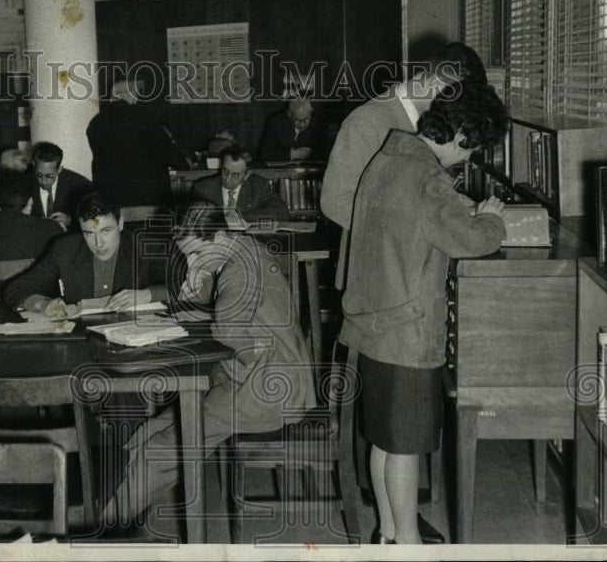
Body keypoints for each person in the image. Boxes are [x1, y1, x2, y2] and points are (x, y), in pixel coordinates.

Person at [341, 82, 508, 545]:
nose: (465, 162)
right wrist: (492, 218)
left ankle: (389, 533)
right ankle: (410, 545)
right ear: (461, 138)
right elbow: (469, 241)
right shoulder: (428, 177)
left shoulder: (388, 157)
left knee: (383, 439)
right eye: (470, 152)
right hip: (408, 331)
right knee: (407, 447)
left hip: (373, 323)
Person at [103, 202, 317, 531]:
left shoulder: (241, 269)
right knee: (150, 430)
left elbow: (228, 328)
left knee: (164, 446)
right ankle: (122, 504)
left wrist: (232, 337)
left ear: (217, 236)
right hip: (260, 377)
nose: (191, 262)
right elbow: (232, 312)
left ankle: (102, 525)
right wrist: (201, 282)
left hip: (267, 390)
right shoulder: (241, 247)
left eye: (195, 254)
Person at [321, 41, 488, 290]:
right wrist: (415, 224)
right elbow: (334, 202)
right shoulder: (366, 122)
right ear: (433, 84)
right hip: (372, 277)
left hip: (412, 275)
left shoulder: (432, 125)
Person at [4, 192, 169, 311]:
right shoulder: (65, 249)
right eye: (89, 233)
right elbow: (17, 288)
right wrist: (43, 304)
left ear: (120, 224)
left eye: (106, 231)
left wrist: (149, 294)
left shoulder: (145, 246)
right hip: (81, 339)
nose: (99, 243)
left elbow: (185, 284)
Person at [86, 79, 192, 207]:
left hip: (109, 196)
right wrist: (184, 164)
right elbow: (166, 151)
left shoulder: (95, 121)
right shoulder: (143, 116)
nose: (137, 99)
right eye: (137, 94)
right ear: (129, 94)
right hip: (146, 196)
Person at [191, 146, 290, 225]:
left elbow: (282, 213)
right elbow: (190, 218)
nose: (228, 179)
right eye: (225, 171)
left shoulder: (258, 186)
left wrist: (239, 215)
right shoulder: (203, 188)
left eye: (235, 175)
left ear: (247, 174)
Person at [28, 141, 95, 229]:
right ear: (34, 165)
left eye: (49, 176)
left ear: (59, 169)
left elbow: (93, 220)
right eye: (39, 175)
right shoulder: (24, 182)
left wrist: (70, 220)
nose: (43, 181)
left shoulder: (81, 186)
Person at [258, 97, 335, 163]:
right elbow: (264, 154)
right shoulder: (275, 121)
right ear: (289, 114)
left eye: (306, 120)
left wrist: (310, 154)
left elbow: (327, 155)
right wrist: (292, 154)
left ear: (311, 112)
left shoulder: (319, 122)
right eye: (298, 120)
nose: (302, 124)